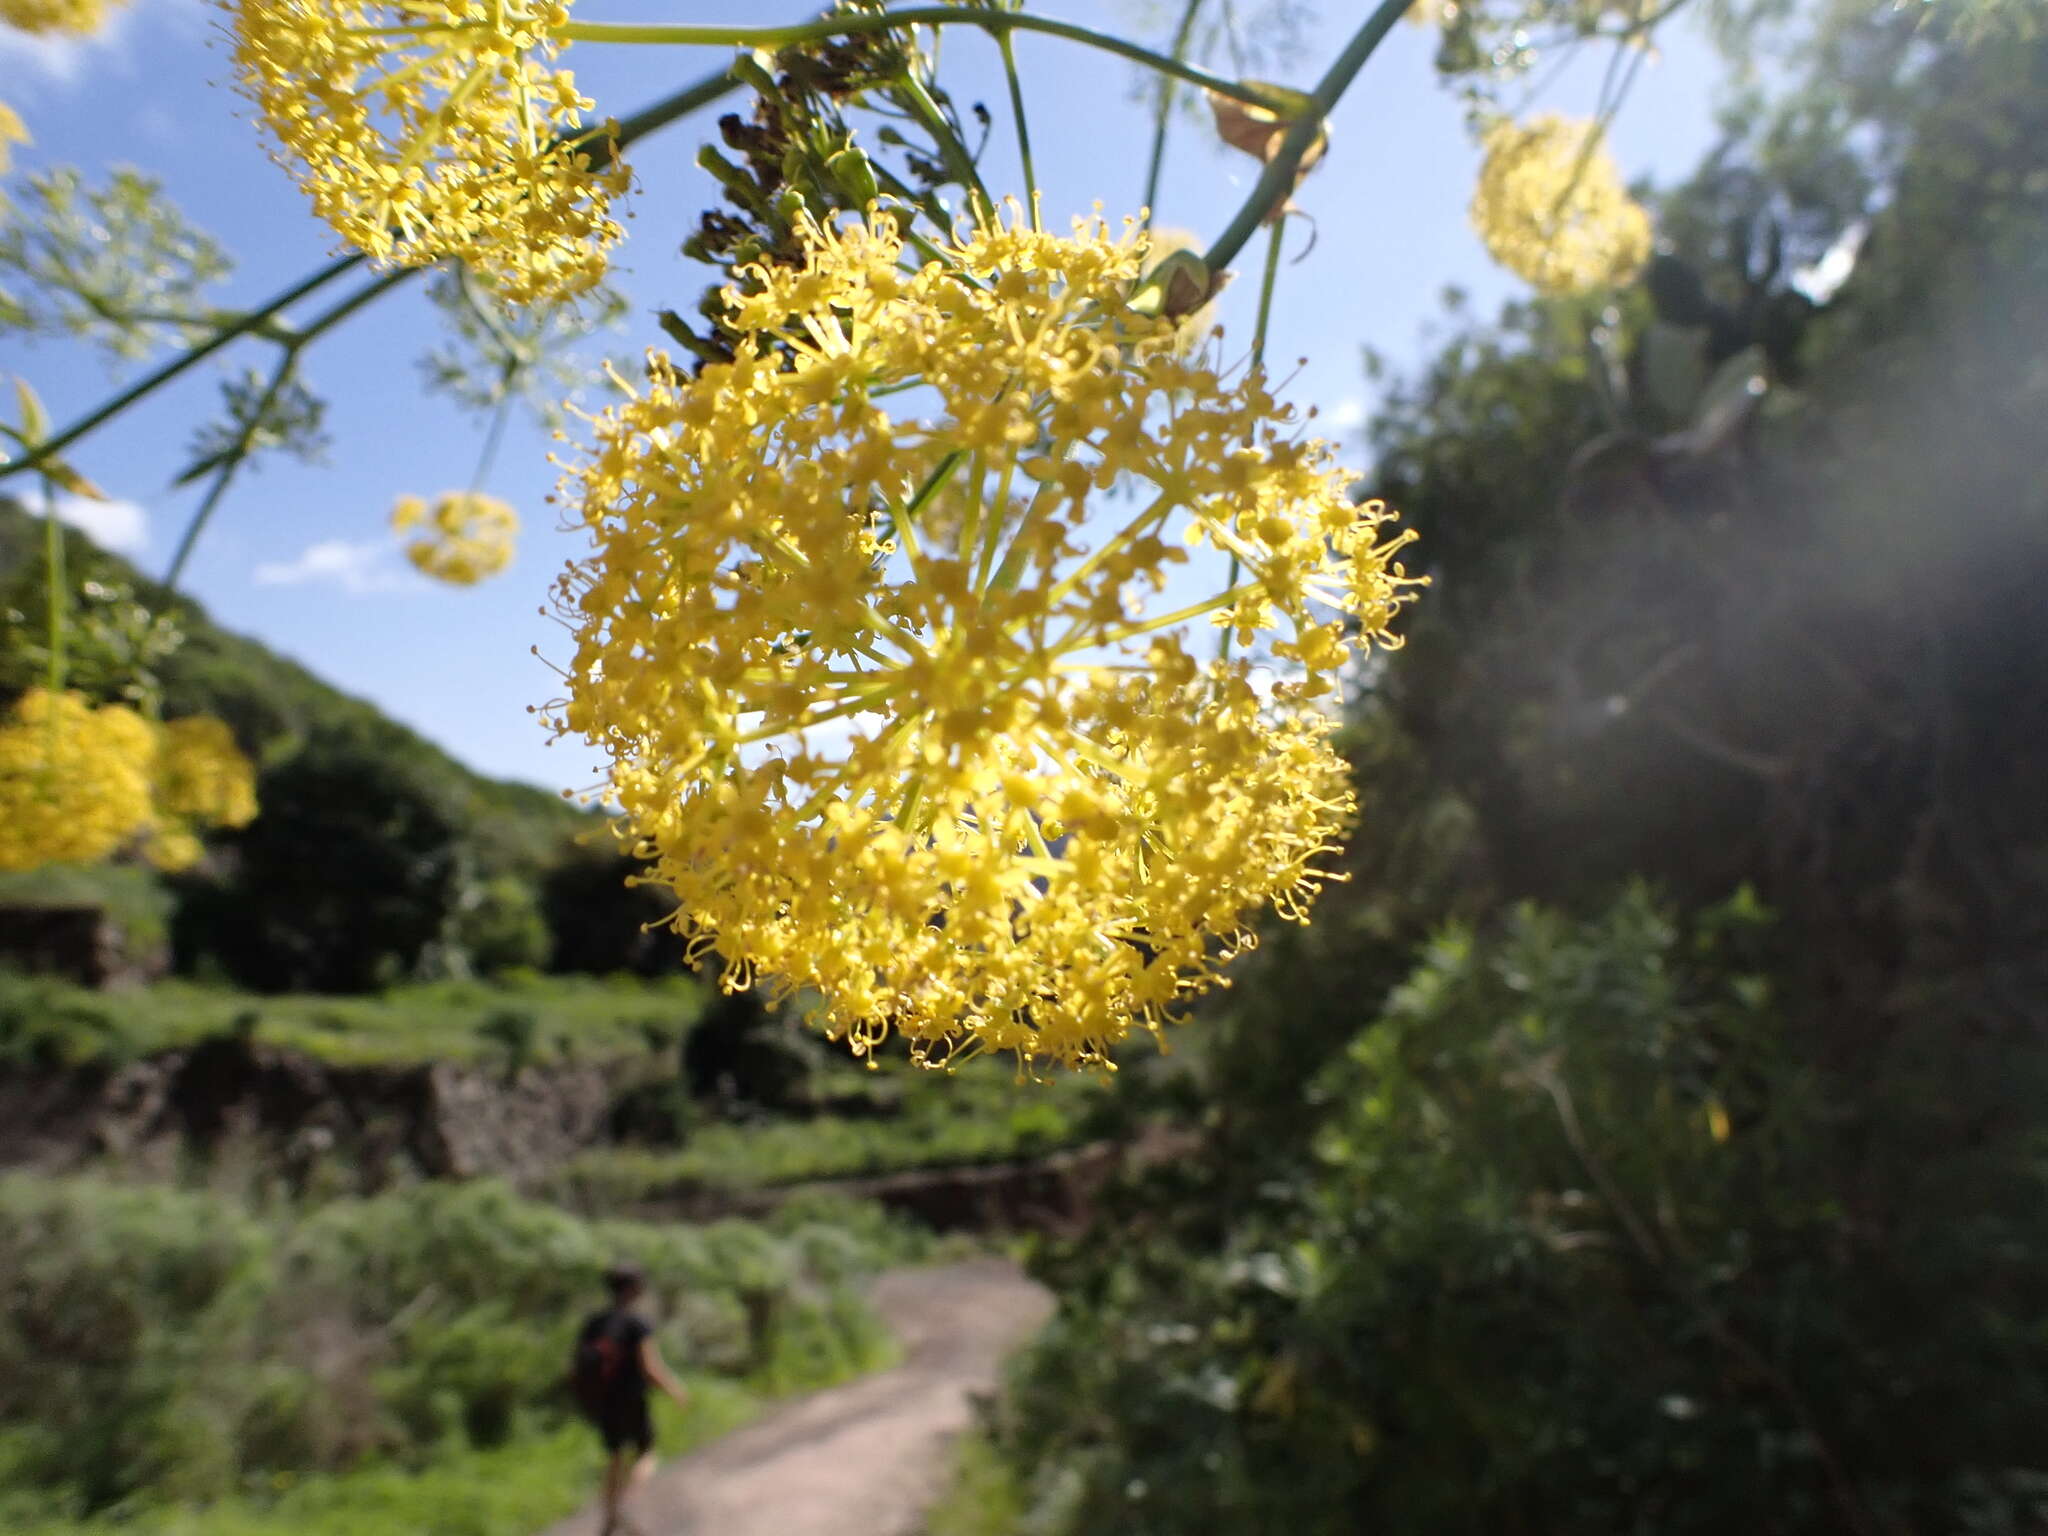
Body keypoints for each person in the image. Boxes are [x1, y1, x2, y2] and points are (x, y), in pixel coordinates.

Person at [572, 1261, 691, 1536]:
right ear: (635, 1288)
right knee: (646, 1452)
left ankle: (609, 1520)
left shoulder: (594, 1323)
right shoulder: (637, 1323)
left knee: (614, 1456)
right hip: (632, 1399)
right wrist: (675, 1390)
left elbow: (578, 1365)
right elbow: (650, 1367)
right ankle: (630, 1504)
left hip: (603, 1401)